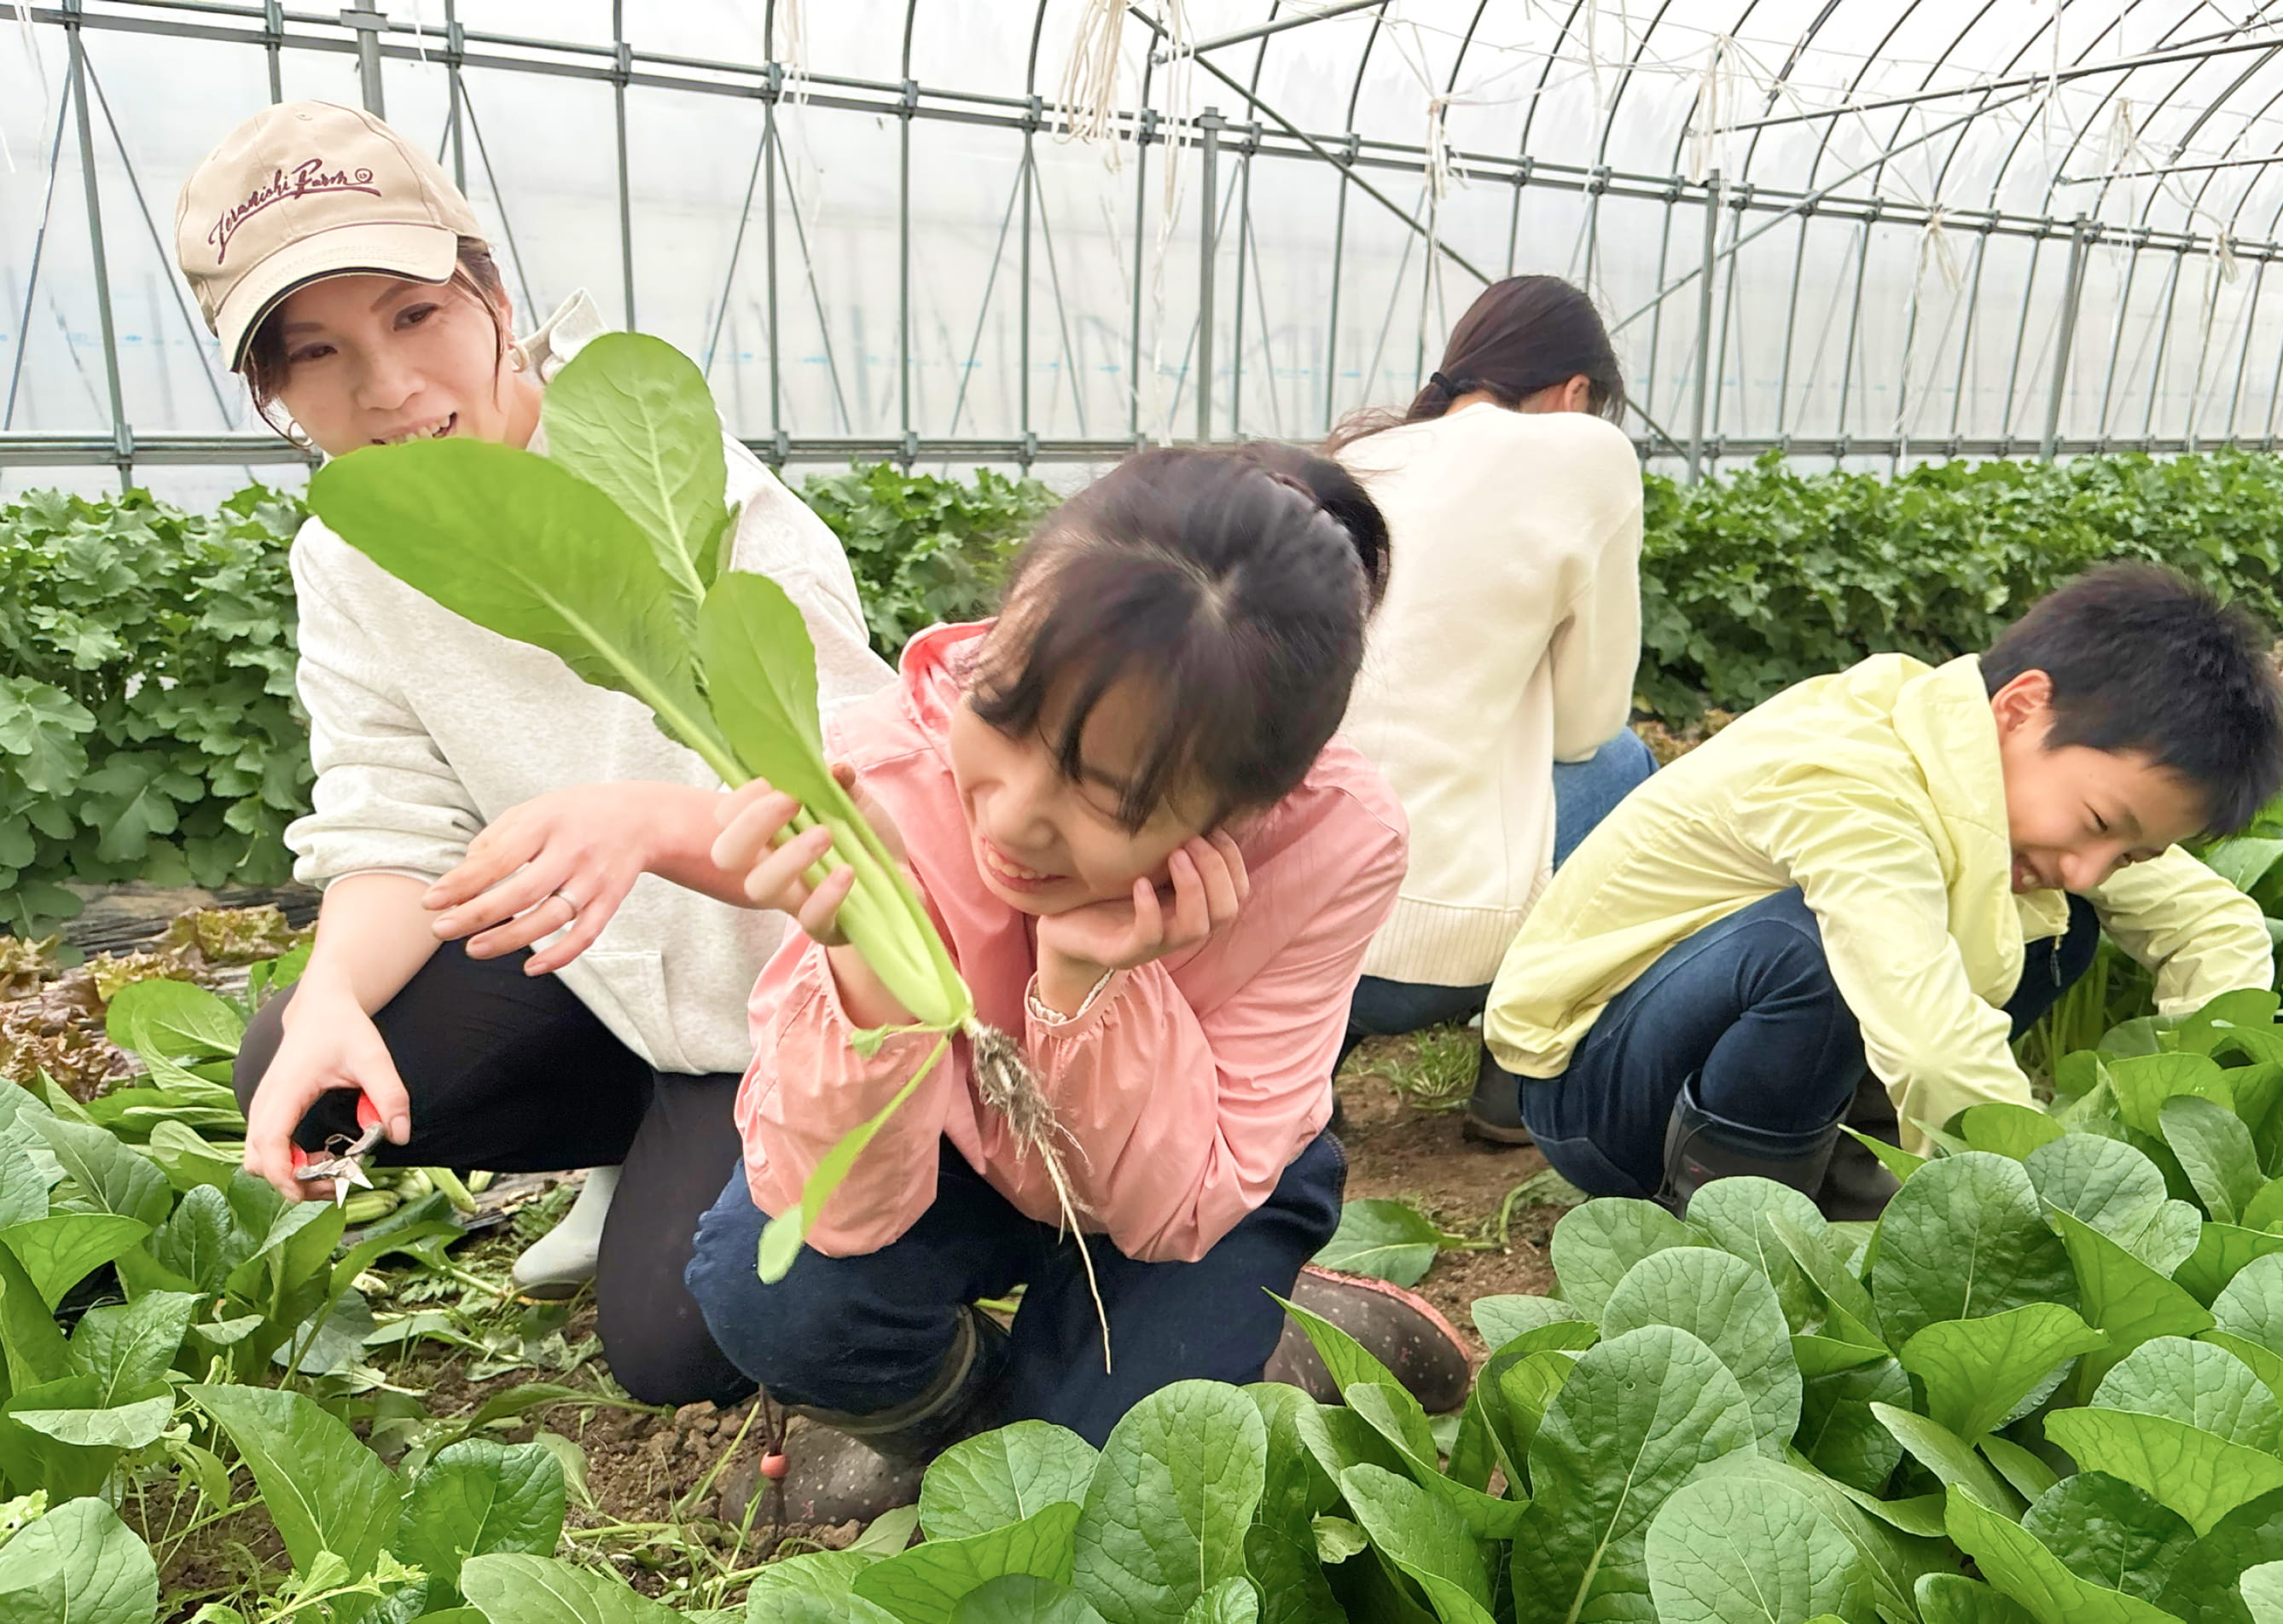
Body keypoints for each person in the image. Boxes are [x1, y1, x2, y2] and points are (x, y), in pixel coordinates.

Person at [173, 101, 895, 1404]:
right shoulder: (346, 553)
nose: (388, 389)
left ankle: (689, 1145)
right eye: (316, 353)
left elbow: (863, 795)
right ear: (271, 389)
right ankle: (632, 1136)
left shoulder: (675, 483)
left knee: (677, 1352)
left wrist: (647, 821)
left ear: (489, 286)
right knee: (303, 1051)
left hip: (780, 995)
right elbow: (393, 824)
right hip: (606, 980)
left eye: (414, 314)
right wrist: (334, 995)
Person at [683, 444, 1472, 1520]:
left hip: (1195, 1183)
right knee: (773, 1286)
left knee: (1127, 1460)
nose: (1008, 817)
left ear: (1245, 810)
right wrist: (870, 971)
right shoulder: (882, 776)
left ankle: (1276, 1334)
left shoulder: (1336, 841)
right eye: (1001, 710)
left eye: (1107, 798)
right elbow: (831, 1201)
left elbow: (1161, 1212)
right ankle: (961, 1432)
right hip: (963, 1150)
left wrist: (1091, 981)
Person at [1482, 564, 2283, 1215]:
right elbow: (1934, 1046)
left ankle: (1845, 1174)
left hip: (1718, 1049)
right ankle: (1732, 1226)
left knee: (2066, 920)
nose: (2090, 863)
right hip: (1596, 1093)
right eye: (2096, 822)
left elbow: (2214, 926)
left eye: (2129, 852)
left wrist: (2199, 1125)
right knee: (1815, 952)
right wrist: (2071, 1209)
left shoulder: (1996, 762)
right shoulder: (1850, 779)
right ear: (2022, 708)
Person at [1329, 276, 1652, 1143]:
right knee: (1625, 763)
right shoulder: (1588, 454)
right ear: (1576, 394)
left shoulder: (1366, 458)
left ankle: (1309, 1054)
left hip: (1292, 940)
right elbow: (1586, 724)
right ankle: (1517, 1067)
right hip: (1439, 954)